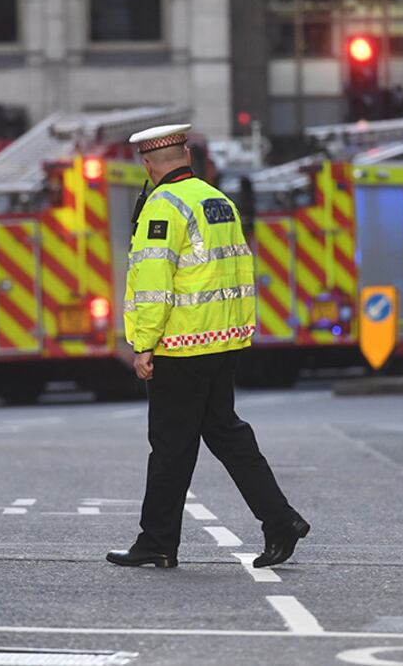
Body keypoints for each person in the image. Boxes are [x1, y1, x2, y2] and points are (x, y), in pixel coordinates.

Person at [107, 123, 309, 570]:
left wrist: (144, 344)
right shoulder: (218, 201)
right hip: (221, 341)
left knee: (171, 446)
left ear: (147, 164)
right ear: (186, 157)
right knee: (226, 433)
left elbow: (155, 284)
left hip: (180, 345)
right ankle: (280, 520)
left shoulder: (163, 207)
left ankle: (157, 541)